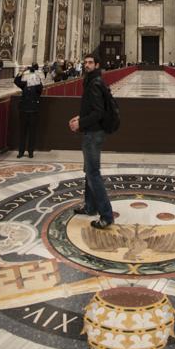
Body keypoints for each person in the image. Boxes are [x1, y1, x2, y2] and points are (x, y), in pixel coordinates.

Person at [68, 54, 114, 230]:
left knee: (93, 173)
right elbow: (92, 109)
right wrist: (81, 117)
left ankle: (106, 215)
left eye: (90, 63)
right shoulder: (93, 81)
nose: (86, 65)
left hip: (94, 133)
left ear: (97, 65)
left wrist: (80, 123)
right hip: (92, 130)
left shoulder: (94, 83)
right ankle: (90, 206)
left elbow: (98, 113)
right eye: (85, 62)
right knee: (89, 170)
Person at [14, 63, 43, 158]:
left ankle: (31, 151)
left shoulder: (38, 86)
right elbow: (16, 81)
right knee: (22, 132)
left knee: (32, 132)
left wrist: (37, 75)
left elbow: (40, 87)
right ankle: (21, 151)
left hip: (33, 110)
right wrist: (22, 72)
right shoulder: (24, 84)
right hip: (24, 110)